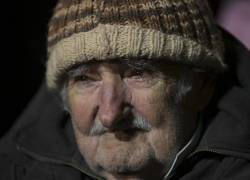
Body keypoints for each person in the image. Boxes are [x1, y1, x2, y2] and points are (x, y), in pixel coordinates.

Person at [1, 0, 250, 179]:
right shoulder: (15, 168)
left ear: (203, 86)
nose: (110, 115)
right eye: (86, 79)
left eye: (138, 73)